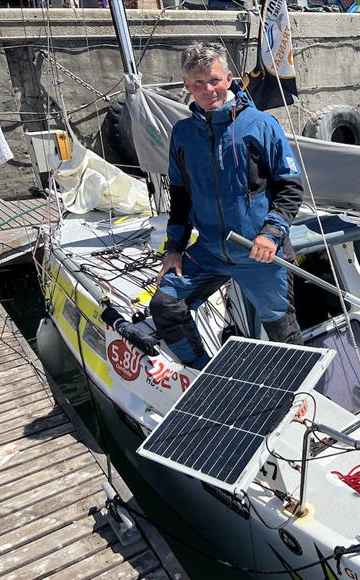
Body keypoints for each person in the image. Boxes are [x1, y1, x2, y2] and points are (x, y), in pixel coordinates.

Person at [150, 41, 304, 369]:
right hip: (209, 251)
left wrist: (271, 234)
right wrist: (174, 248)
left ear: (230, 78)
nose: (209, 89)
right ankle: (200, 373)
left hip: (259, 251)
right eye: (198, 83)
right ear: (186, 86)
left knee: (282, 329)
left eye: (215, 79)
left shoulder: (262, 125)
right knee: (166, 306)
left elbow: (290, 188)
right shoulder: (182, 133)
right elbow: (180, 195)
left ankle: (303, 391)